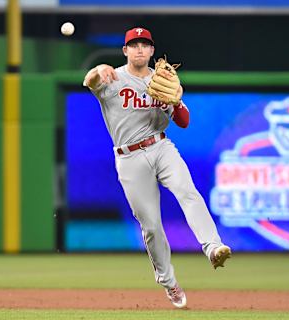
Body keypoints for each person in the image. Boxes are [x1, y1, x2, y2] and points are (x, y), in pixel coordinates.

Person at [83, 27, 231, 309]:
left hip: (161, 146)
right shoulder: (111, 77)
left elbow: (184, 121)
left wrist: (176, 101)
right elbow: (88, 81)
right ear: (125, 51)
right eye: (134, 45)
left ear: (152, 51)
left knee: (188, 191)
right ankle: (169, 283)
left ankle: (212, 247)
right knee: (151, 225)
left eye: (145, 45)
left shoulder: (164, 80)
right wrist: (97, 69)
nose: (139, 49)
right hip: (129, 157)